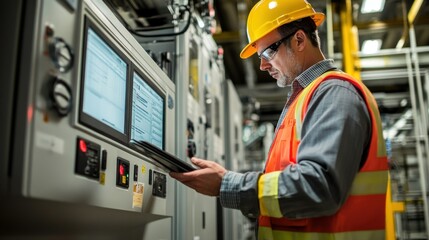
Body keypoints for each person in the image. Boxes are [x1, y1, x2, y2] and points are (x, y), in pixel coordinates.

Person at [170, 0, 389, 239]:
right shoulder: (305, 99)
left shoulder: (334, 93)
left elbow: (318, 187)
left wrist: (227, 184)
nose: (262, 65)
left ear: (299, 40)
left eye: (267, 52)